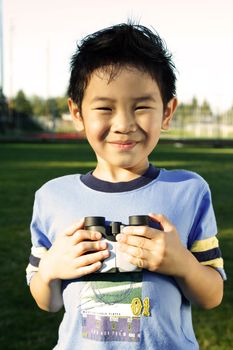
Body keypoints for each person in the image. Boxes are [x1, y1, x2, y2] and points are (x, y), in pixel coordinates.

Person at [26, 22, 226, 350]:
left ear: (167, 111)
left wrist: (182, 263)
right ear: (77, 113)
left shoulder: (189, 190)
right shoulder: (52, 197)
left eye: (142, 106)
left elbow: (212, 295)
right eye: (105, 107)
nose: (123, 125)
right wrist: (49, 271)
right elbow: (47, 302)